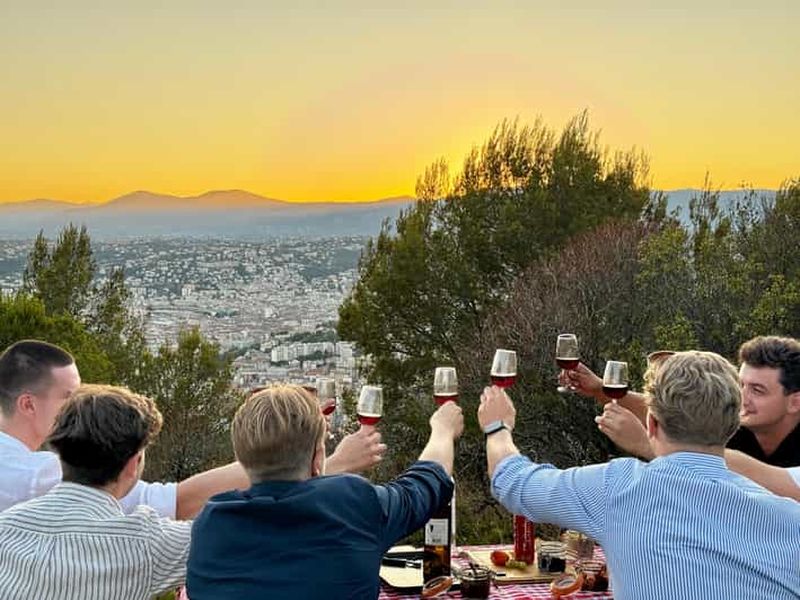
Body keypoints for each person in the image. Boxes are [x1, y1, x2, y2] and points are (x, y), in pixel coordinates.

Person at [483, 351, 800, 600]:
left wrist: (497, 427)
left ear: (651, 426)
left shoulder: (618, 488)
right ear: (731, 429)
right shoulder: (791, 519)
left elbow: (513, 482)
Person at [0, 340, 386, 518]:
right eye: (69, 396)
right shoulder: (36, 477)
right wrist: (319, 462)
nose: (81, 404)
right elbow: (180, 504)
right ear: (28, 404)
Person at [187, 384, 463, 599]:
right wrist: (442, 430)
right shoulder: (350, 504)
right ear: (318, 458)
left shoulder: (211, 525)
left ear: (241, 458)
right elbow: (426, 483)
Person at [0, 384, 191, 599]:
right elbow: (223, 534)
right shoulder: (144, 543)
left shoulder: (5, 527)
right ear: (133, 464)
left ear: (61, 454)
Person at [566, 336, 800, 467]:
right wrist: (600, 389)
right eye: (740, 385)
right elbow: (669, 409)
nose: (742, 397)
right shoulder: (739, 420)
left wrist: (648, 446)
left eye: (757, 390)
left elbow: (737, 483)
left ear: (794, 402)